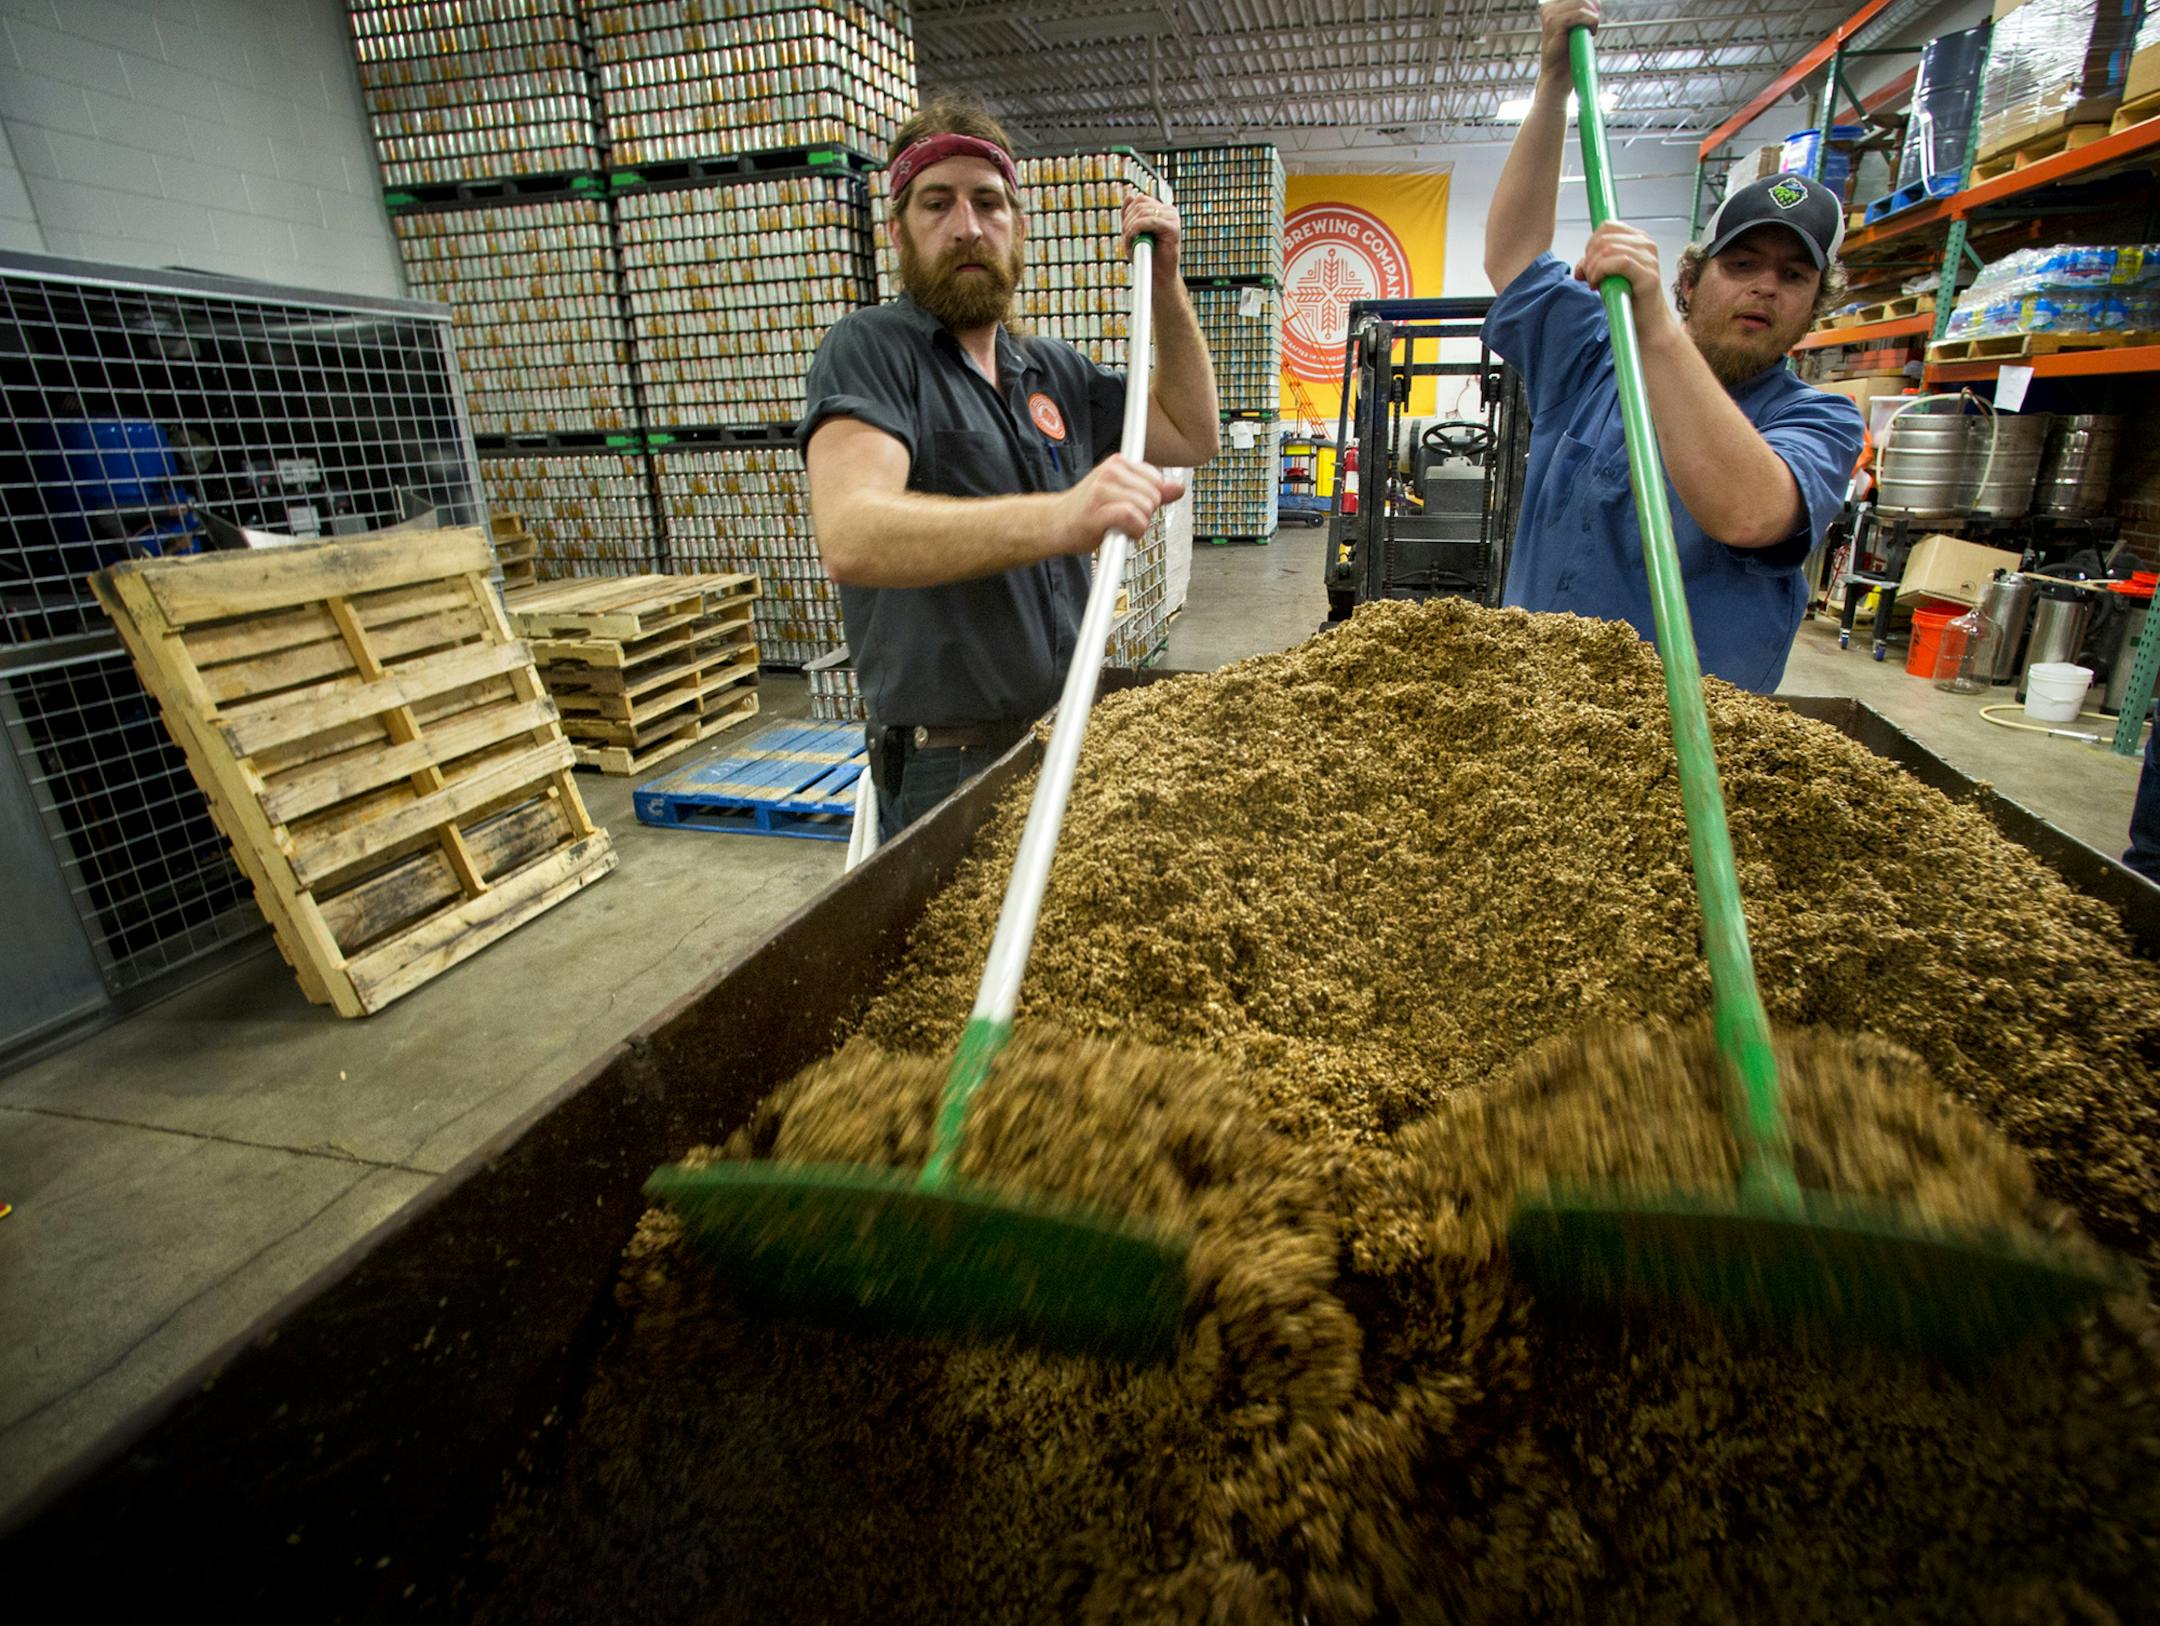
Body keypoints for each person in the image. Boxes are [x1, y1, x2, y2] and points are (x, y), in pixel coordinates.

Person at [799, 96, 1220, 841]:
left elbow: (1192, 431)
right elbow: (853, 533)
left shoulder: (1049, 368)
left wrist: (1167, 283)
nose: (966, 226)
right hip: (950, 766)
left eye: (988, 203)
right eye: (937, 204)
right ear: (897, 231)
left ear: (1017, 228)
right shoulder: (871, 350)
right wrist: (1064, 516)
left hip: (1066, 735)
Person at [1482, 0, 1865, 693]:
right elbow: (1514, 257)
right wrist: (1550, 88)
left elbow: (1749, 514)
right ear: (1694, 276)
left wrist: (1656, 323)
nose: (1764, 289)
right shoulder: (1603, 354)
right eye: (1741, 265)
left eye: (1793, 276)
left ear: (1814, 309)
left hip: (1681, 757)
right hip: (1533, 722)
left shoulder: (1818, 420)